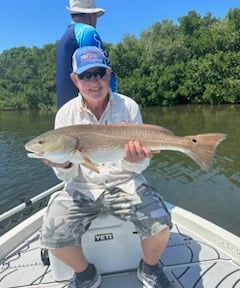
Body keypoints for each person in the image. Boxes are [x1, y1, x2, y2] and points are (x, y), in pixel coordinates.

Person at [41, 46, 173, 288]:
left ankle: (150, 268)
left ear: (109, 74)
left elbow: (139, 165)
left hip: (125, 182)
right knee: (51, 237)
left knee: (161, 226)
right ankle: (85, 274)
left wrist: (133, 160)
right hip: (83, 188)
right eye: (85, 75)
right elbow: (67, 175)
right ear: (75, 79)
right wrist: (65, 164)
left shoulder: (129, 107)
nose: (94, 81)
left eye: (99, 73)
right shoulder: (65, 116)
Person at [56, 0, 117, 109]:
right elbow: (100, 72)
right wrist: (115, 105)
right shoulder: (87, 31)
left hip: (68, 112)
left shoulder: (65, 38)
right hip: (89, 112)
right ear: (91, 15)